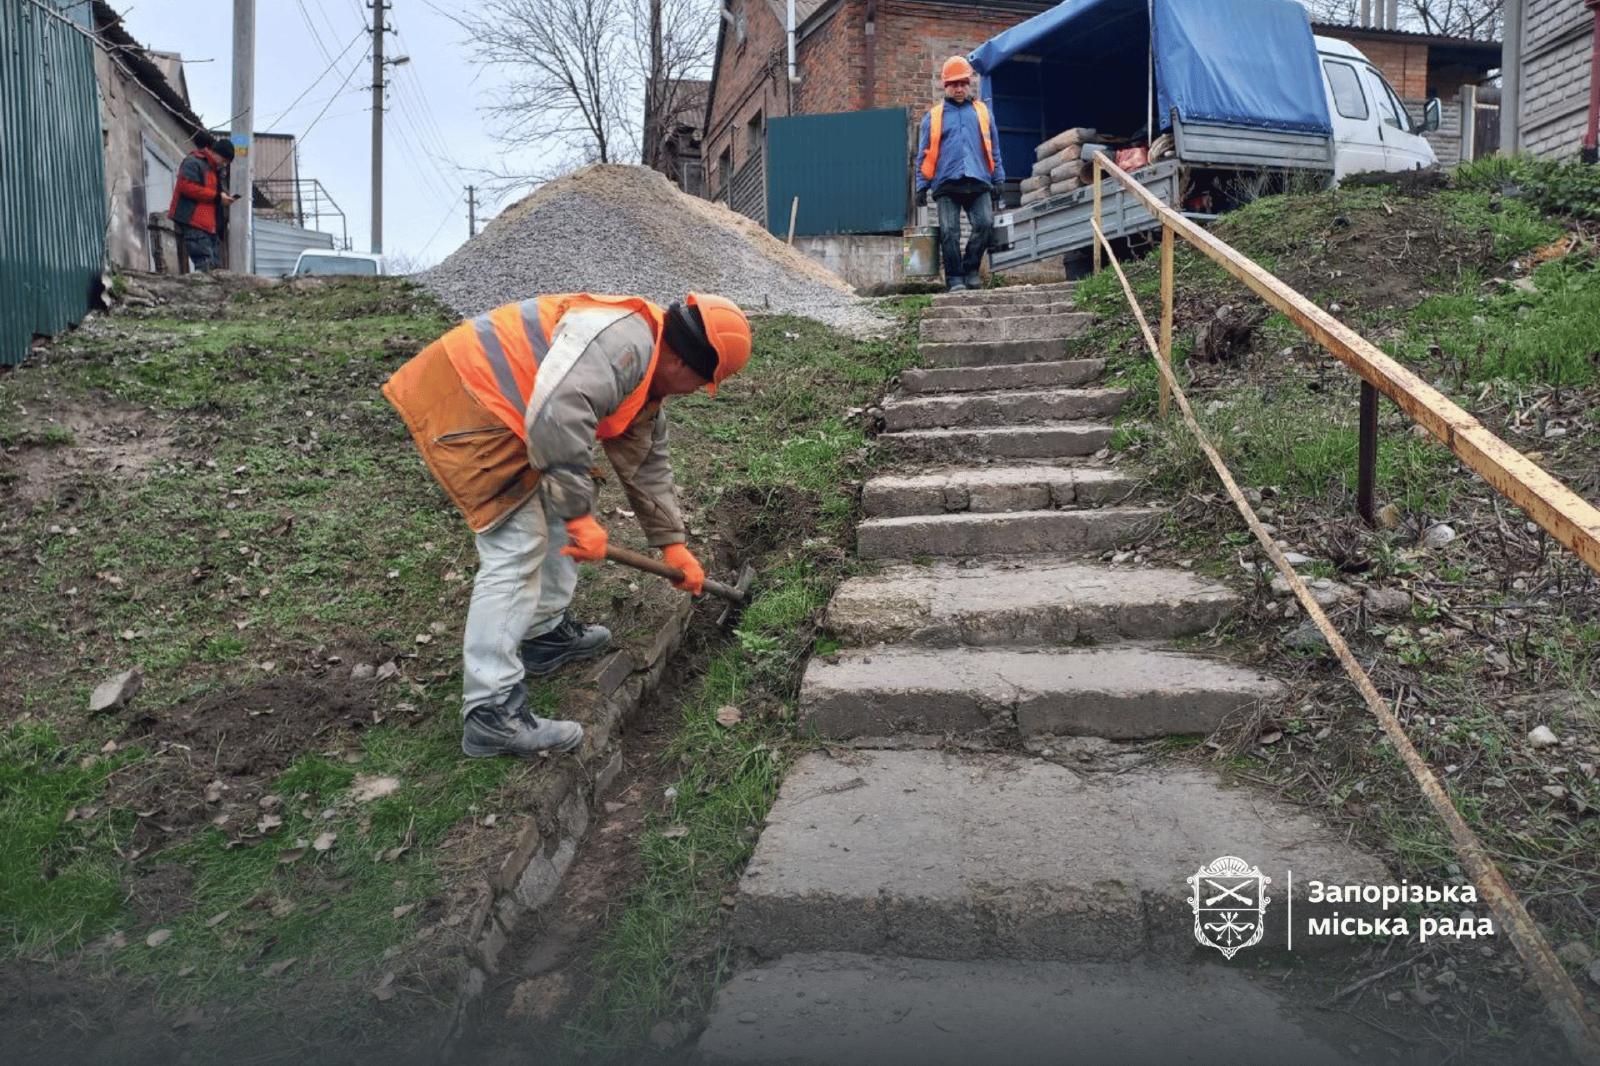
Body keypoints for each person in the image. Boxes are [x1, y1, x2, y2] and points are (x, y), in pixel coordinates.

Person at [382, 293, 753, 758]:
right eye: (702, 382)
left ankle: (542, 633)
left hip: (521, 411)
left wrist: (672, 545)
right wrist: (579, 519)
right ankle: (491, 713)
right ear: (682, 362)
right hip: (471, 395)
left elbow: (646, 466)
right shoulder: (622, 346)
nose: (696, 391)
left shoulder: (646, 375)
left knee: (563, 499)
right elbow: (558, 416)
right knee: (518, 545)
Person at [914, 56, 1005, 292]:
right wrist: (921, 185)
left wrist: (999, 178)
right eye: (954, 84)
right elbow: (924, 152)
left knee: (984, 224)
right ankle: (954, 278)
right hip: (946, 182)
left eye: (963, 83)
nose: (959, 88)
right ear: (946, 85)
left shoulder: (983, 112)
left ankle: (971, 270)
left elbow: (994, 147)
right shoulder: (933, 116)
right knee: (949, 232)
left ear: (969, 84)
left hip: (978, 179)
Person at [167, 135, 237, 271]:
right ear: (216, 153)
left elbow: (210, 194)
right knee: (205, 267)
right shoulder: (194, 161)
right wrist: (217, 197)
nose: (224, 165)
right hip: (194, 222)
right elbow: (186, 187)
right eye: (224, 160)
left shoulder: (214, 170)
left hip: (209, 226)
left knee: (214, 269)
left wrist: (221, 197)